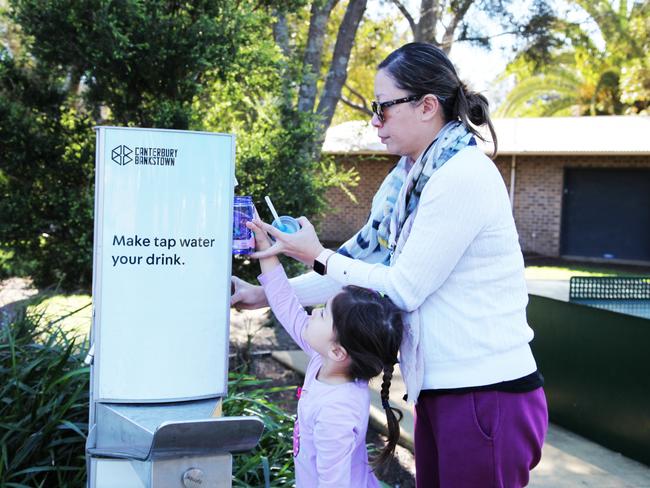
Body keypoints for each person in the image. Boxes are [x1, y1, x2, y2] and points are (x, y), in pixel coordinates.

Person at [232, 42, 548, 487]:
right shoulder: (408, 182)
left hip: (485, 395)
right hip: (445, 393)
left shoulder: (461, 176)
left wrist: (316, 254)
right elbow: (360, 267)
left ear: (427, 106)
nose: (375, 122)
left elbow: (401, 287)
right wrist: (264, 293)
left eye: (383, 108)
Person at [245, 218, 404, 487]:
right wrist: (265, 246)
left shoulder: (336, 413)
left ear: (339, 351)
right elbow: (285, 304)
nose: (315, 311)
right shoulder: (326, 359)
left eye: (324, 313)